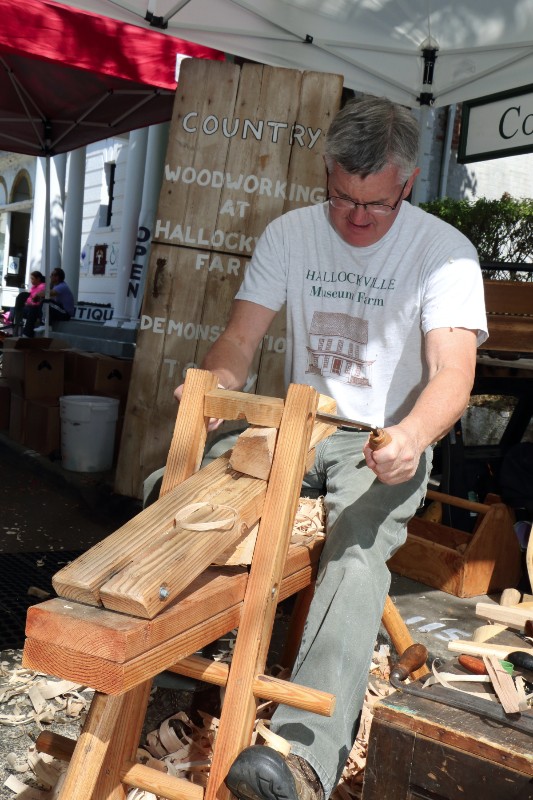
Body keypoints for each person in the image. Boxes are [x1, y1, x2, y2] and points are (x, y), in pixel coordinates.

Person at [159, 95, 488, 800]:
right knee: (173, 494)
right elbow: (240, 340)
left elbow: (453, 375)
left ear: (409, 180)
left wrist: (410, 437)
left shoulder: (443, 254)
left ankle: (302, 765)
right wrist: (213, 391)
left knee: (356, 547)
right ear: (326, 173)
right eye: (340, 197)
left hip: (379, 437)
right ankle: (186, 685)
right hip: (292, 426)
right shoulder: (290, 233)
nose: (356, 218)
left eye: (375, 203)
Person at [22, 267, 75, 337]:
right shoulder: (55, 286)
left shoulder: (62, 286)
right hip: (59, 311)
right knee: (34, 309)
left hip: (65, 314)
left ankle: (45, 325)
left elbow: (47, 293)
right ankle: (27, 334)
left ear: (57, 277)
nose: (50, 276)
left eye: (52, 275)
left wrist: (37, 295)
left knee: (45, 302)